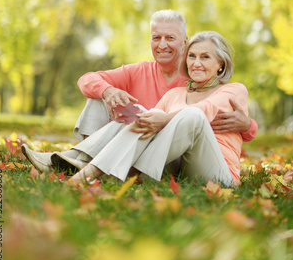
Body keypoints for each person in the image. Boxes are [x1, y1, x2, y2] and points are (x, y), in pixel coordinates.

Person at [22, 10, 257, 173]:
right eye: (156, 38)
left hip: (173, 153)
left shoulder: (200, 78)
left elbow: (220, 116)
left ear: (184, 42)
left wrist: (247, 125)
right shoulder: (139, 71)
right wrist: (108, 91)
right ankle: (79, 159)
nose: (162, 44)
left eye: (170, 38)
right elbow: (86, 80)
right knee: (100, 99)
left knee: (142, 115)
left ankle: (78, 161)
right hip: (134, 140)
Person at [57, 31, 248, 187]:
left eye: (205, 57)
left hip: (219, 176)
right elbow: (146, 130)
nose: (196, 63)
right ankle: (93, 167)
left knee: (193, 115)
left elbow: (206, 108)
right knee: (149, 114)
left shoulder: (233, 90)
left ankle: (97, 171)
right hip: (177, 172)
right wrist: (144, 116)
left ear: (220, 64)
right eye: (192, 56)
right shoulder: (174, 94)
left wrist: (165, 120)